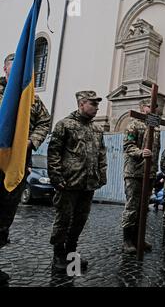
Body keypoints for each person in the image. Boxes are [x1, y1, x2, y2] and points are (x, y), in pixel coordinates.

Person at [0, 54, 50, 283]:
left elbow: (44, 122)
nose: (17, 74)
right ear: (5, 69)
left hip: (17, 165)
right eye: (13, 69)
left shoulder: (32, 99)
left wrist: (30, 142)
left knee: (5, 216)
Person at [47, 91, 107, 271]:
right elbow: (54, 152)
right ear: (81, 104)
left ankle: (71, 255)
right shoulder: (64, 125)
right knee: (63, 219)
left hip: (88, 183)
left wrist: (101, 175)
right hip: (69, 182)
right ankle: (58, 256)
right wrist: (56, 177)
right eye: (93, 104)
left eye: (97, 104)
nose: (97, 108)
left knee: (80, 220)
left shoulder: (96, 129)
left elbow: (101, 154)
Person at [122, 98, 160, 254]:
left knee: (144, 208)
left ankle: (139, 238)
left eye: (155, 106)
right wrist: (140, 152)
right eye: (150, 106)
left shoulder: (154, 126)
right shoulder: (133, 124)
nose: (153, 108)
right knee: (132, 206)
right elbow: (128, 146)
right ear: (142, 107)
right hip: (135, 172)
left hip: (149, 172)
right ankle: (127, 240)